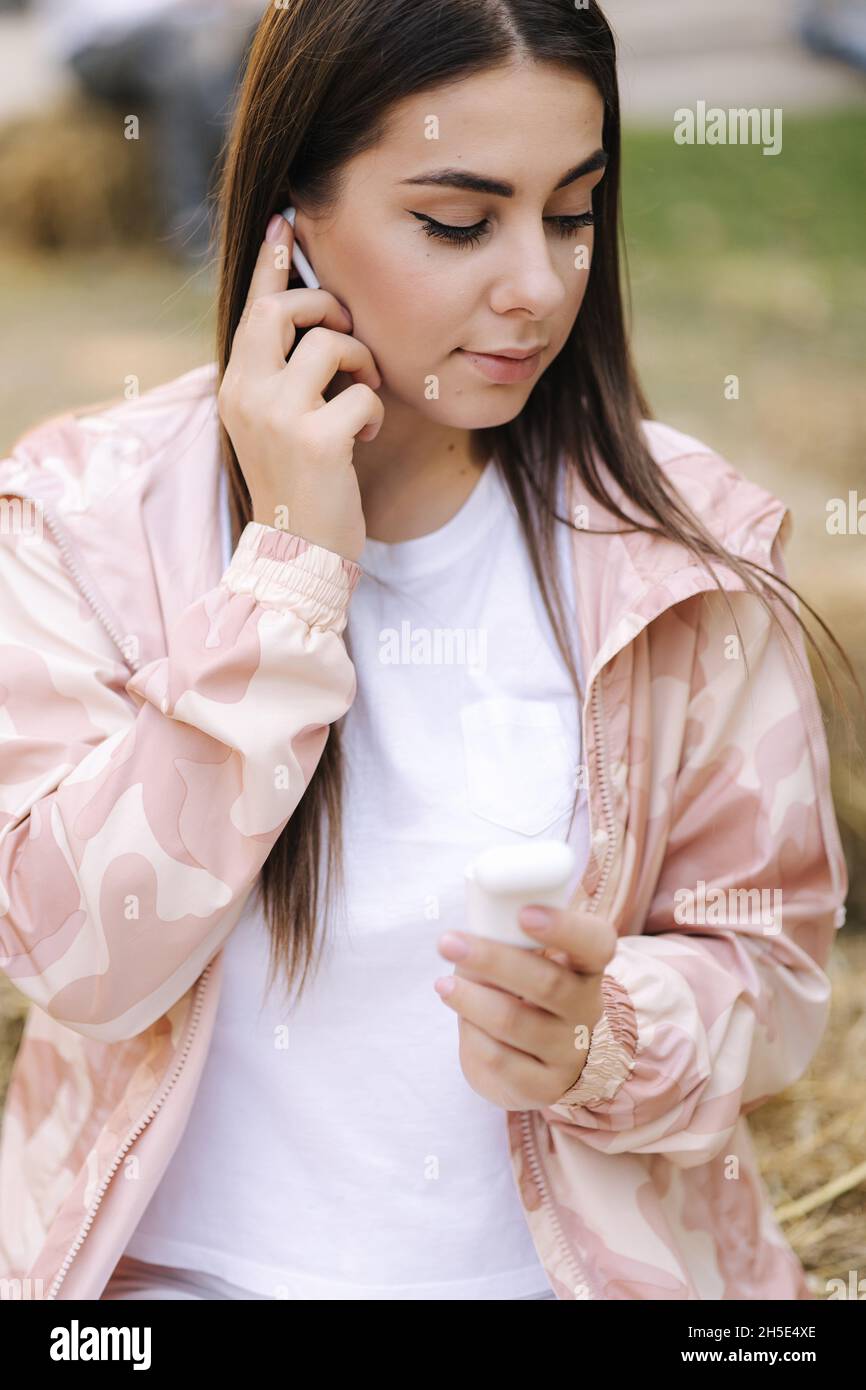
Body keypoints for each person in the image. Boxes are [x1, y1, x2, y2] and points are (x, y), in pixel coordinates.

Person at [0, 0, 851, 1301]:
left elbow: (778, 973)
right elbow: (73, 956)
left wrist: (606, 1036)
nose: (536, 282)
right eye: (456, 221)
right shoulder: (80, 515)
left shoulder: (682, 552)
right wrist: (289, 572)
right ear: (290, 216)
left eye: (571, 214)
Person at [31, 0, 261, 264]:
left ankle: (244, 200)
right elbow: (113, 15)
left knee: (239, 40)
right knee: (180, 62)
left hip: (171, 36)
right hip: (95, 46)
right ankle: (193, 222)